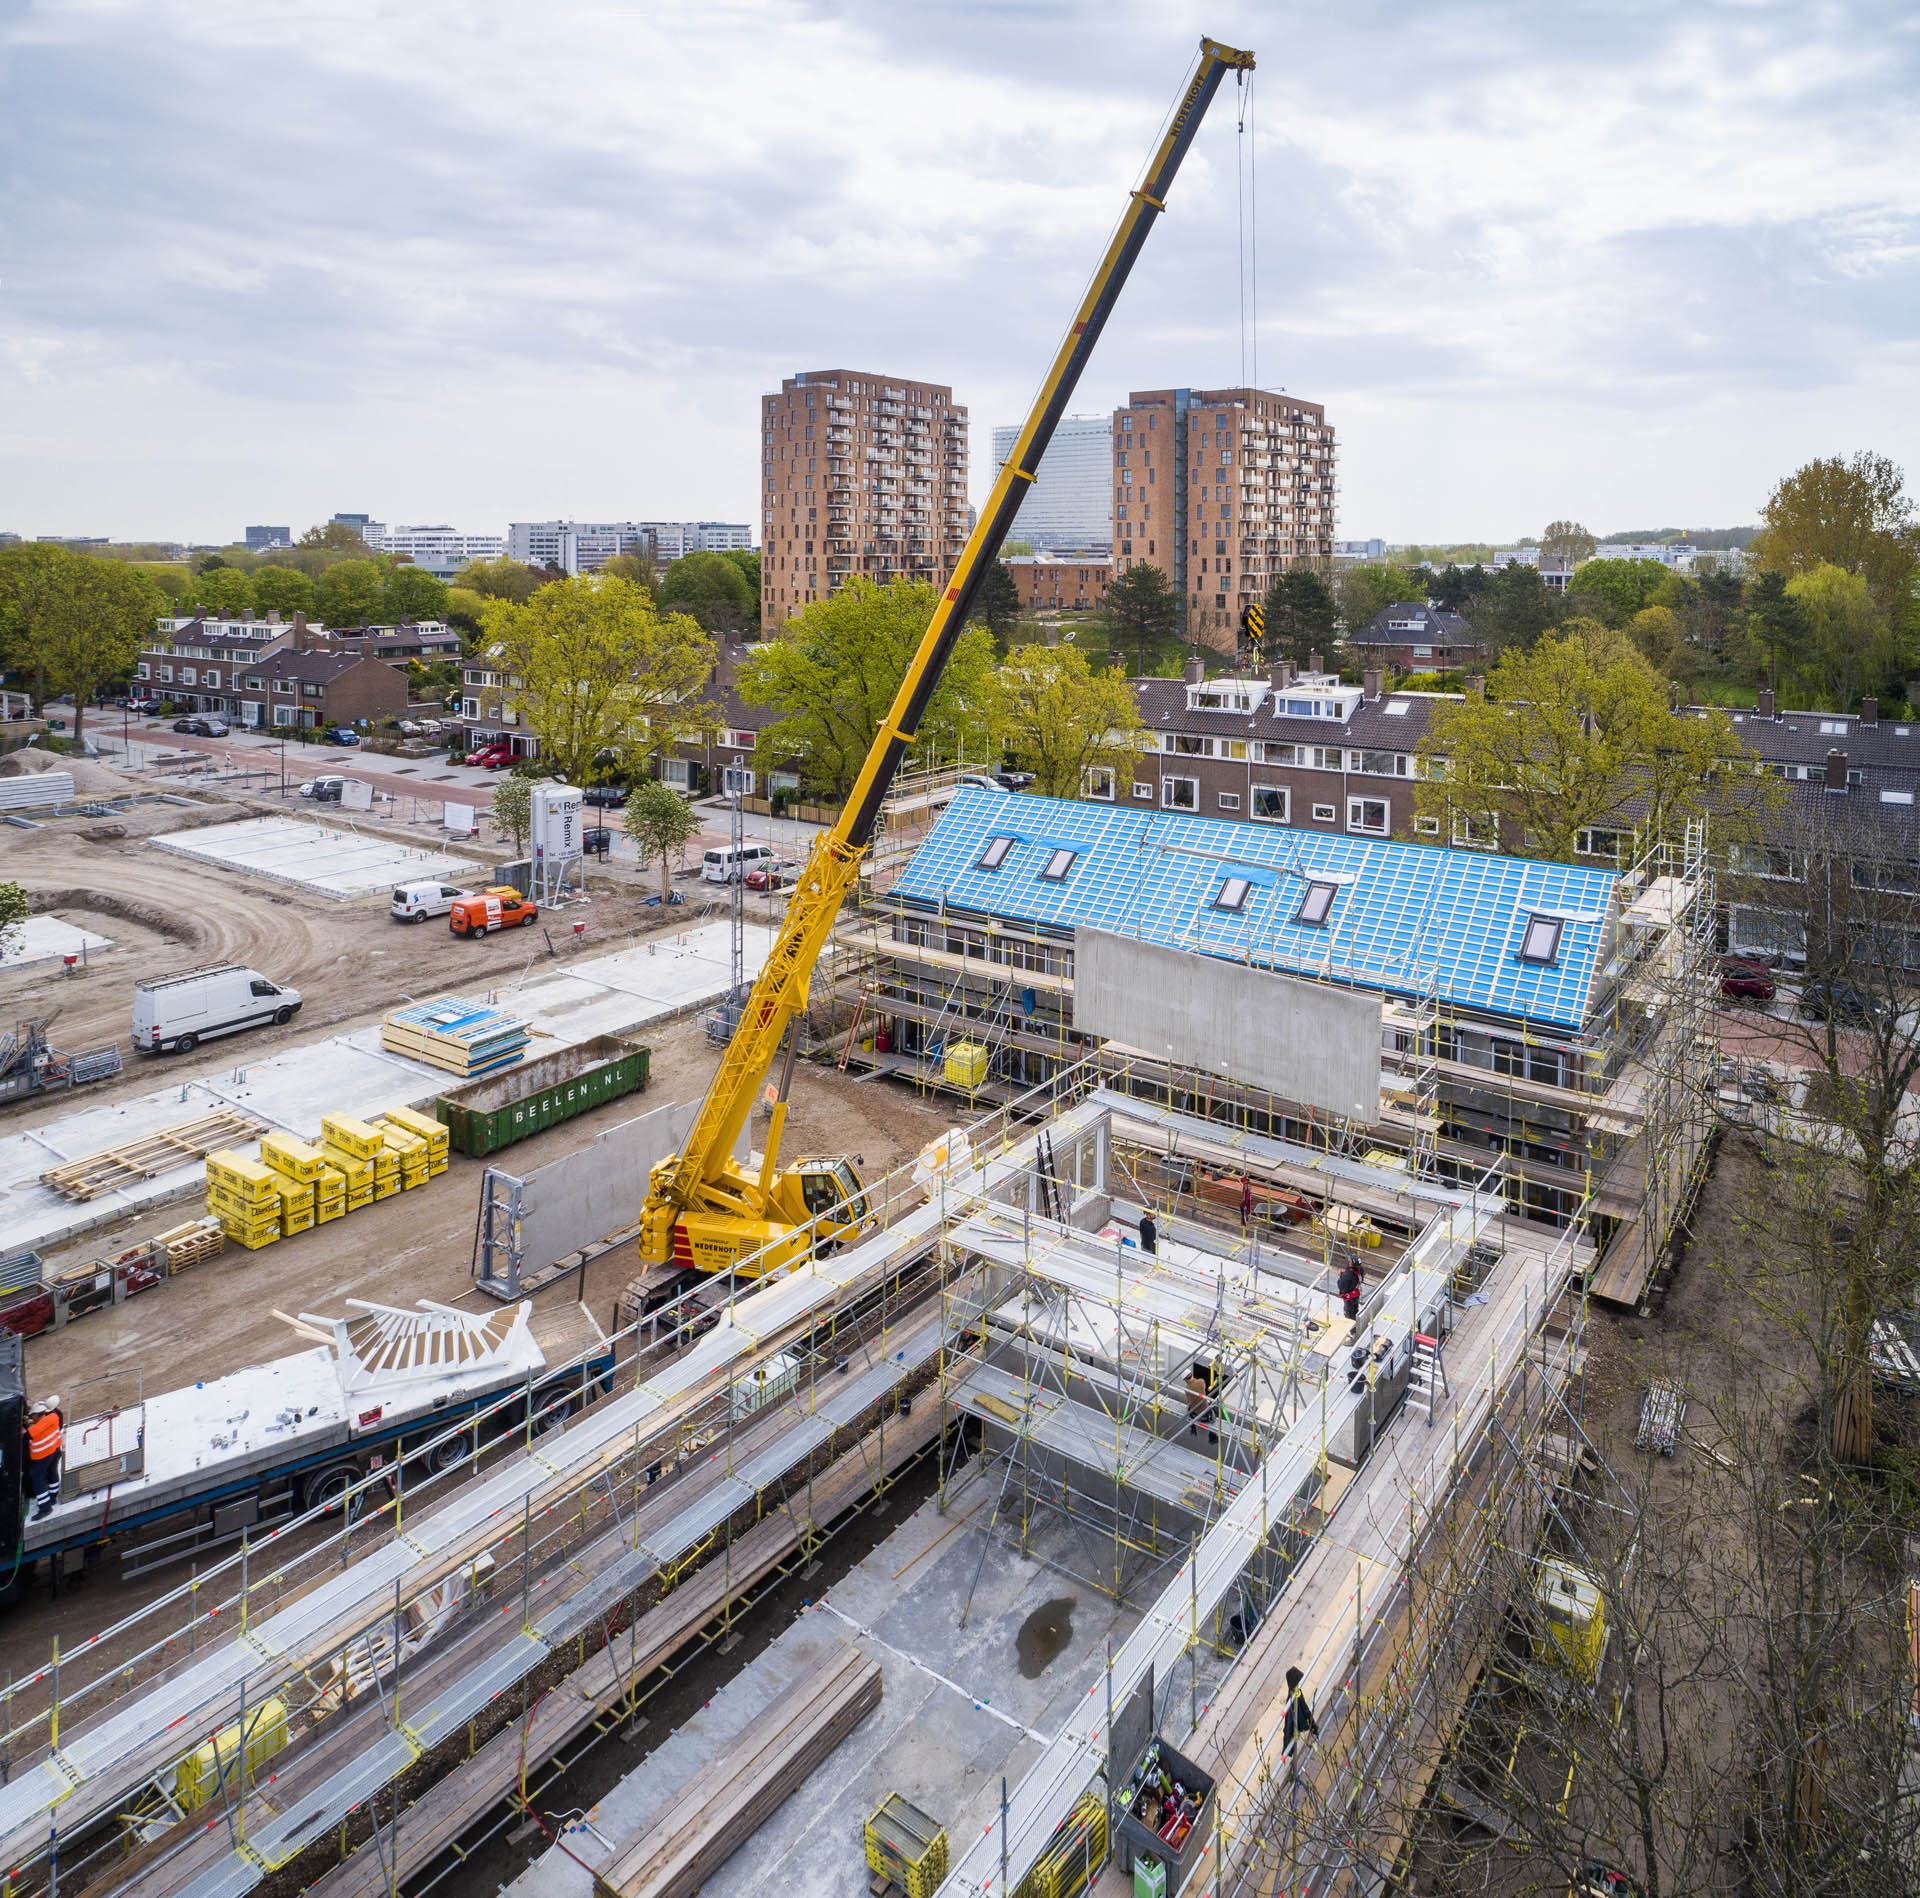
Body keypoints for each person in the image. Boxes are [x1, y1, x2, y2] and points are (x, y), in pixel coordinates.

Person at [26, 1395, 63, 1519]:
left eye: (33, 1416)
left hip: (42, 1457)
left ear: (39, 1414)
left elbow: (27, 1436)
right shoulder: (54, 1416)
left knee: (37, 1479)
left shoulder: (38, 1426)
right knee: (52, 1473)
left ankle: (45, 1507)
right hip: (55, 1451)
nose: (32, 1418)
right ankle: (53, 1496)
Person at [1282, 1666, 1318, 1753]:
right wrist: (1287, 1750)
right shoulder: (1292, 1700)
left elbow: (1305, 1710)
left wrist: (1313, 1727)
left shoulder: (1297, 1693)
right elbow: (1288, 1724)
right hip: (1296, 1729)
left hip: (1299, 1727)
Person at [1184, 1359, 1218, 1447]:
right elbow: (1203, 1387)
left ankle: (1193, 1428)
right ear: (1192, 1375)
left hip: (1195, 1416)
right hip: (1206, 1416)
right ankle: (1212, 1436)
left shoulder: (1187, 1389)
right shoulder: (1201, 1381)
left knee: (1189, 1406)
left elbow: (1190, 1402)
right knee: (1215, 1407)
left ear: (1185, 1380)